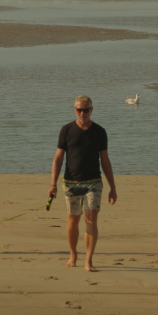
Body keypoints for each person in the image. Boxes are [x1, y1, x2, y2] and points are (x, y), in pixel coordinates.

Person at [47, 95, 117, 272]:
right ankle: (73, 255)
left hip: (94, 182)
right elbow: (58, 158)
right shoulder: (66, 130)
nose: (82, 113)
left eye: (86, 110)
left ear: (91, 110)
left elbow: (105, 161)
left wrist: (113, 187)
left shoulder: (99, 131)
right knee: (73, 220)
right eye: (79, 110)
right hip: (71, 182)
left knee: (91, 220)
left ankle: (89, 260)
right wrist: (53, 184)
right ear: (75, 110)